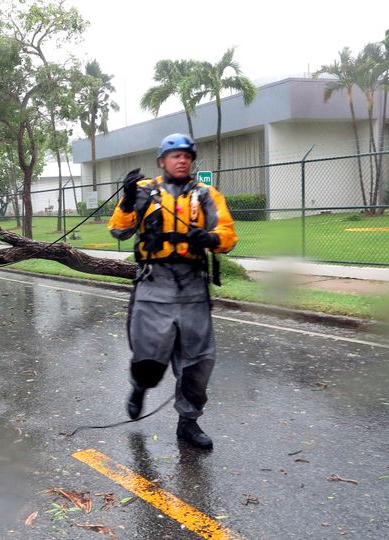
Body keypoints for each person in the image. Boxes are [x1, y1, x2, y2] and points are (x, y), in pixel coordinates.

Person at [107, 133, 238, 448]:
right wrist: (126, 199)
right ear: (161, 161)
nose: (182, 160)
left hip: (192, 285)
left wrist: (208, 239)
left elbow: (227, 234)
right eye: (174, 155)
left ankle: (188, 424)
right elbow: (119, 230)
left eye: (186, 155)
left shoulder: (206, 194)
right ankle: (140, 387)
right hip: (154, 284)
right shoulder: (143, 192)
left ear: (192, 160)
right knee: (150, 355)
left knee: (199, 361)